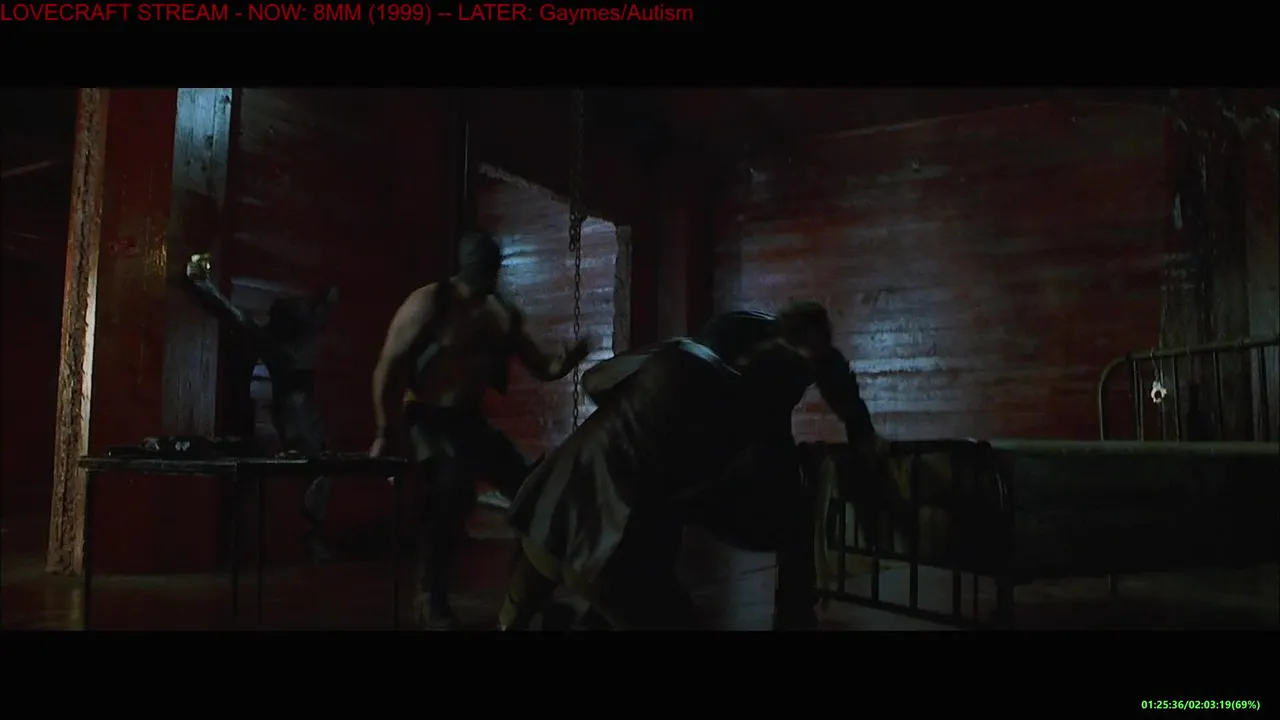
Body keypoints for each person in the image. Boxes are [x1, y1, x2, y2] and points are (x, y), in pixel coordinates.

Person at [540, 301, 879, 630]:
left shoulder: (816, 358)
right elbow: (688, 388)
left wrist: (864, 441)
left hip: (750, 442)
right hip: (701, 438)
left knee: (795, 516)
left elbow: (845, 398)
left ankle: (795, 614)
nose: (802, 362)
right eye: (797, 355)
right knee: (660, 513)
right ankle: (610, 605)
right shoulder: (733, 336)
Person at [369, 230, 590, 630]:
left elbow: (543, 367)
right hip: (427, 417)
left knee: (534, 493)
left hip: (468, 421)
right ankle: (430, 601)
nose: (485, 278)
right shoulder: (431, 302)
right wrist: (386, 430)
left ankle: (530, 598)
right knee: (451, 493)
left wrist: (567, 361)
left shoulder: (500, 311)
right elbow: (390, 364)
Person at [499, 338, 750, 631]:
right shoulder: (736, 421)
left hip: (556, 504)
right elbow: (712, 506)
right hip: (612, 550)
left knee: (517, 611)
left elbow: (594, 381)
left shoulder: (678, 354)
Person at [183, 255, 339, 564]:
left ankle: (310, 533)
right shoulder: (278, 342)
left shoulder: (292, 337)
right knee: (315, 467)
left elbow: (234, 314)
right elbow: (233, 314)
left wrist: (202, 286)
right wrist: (202, 285)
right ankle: (307, 535)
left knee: (321, 468)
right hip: (294, 415)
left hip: (302, 413)